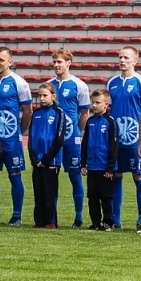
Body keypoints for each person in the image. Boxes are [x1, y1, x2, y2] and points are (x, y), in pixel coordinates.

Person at [0, 47, 32, 225]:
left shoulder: (19, 83)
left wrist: (19, 131)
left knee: (14, 175)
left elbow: (27, 112)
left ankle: (16, 215)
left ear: (10, 62)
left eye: (1, 60)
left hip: (12, 139)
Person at [107, 46, 141, 229]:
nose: (122, 60)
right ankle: (116, 220)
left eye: (126, 57)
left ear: (135, 61)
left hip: (135, 139)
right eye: (120, 57)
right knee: (115, 175)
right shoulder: (111, 83)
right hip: (116, 140)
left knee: (138, 176)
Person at [49, 48, 89, 227]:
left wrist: (75, 132)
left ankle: (79, 216)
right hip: (52, 140)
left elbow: (84, 113)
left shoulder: (79, 85)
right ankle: (52, 216)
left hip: (71, 139)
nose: (57, 65)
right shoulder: (49, 85)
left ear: (68, 63)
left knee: (75, 176)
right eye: (54, 62)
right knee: (52, 177)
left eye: (60, 62)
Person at [26, 81, 65, 229]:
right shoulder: (36, 113)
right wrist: (34, 158)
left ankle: (51, 221)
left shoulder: (58, 113)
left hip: (51, 161)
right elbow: (31, 137)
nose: (41, 98)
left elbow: (59, 138)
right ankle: (39, 220)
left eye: (45, 95)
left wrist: (47, 158)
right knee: (38, 192)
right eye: (39, 95)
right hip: (37, 161)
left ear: (53, 96)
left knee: (49, 193)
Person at [80, 88, 115, 230]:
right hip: (92, 166)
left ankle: (108, 222)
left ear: (106, 104)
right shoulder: (90, 122)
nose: (93, 105)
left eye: (97, 103)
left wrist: (110, 167)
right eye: (92, 102)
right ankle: (95, 222)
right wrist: (83, 163)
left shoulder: (110, 122)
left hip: (104, 167)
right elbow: (85, 143)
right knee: (92, 197)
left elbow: (113, 146)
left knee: (106, 197)